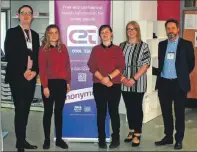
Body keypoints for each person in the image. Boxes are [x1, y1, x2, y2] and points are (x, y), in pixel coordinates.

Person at [153, 19, 195, 150]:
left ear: (178, 29)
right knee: (166, 112)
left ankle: (179, 139)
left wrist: (181, 75)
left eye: (173, 28)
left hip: (179, 84)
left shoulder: (186, 44)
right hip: (164, 83)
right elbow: (161, 63)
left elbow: (191, 63)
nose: (170, 31)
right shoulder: (161, 45)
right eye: (168, 28)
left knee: (179, 113)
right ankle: (168, 137)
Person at [4, 5, 39, 152]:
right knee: (20, 109)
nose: (26, 16)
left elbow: (37, 57)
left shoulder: (35, 35)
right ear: (18, 15)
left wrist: (35, 71)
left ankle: (22, 140)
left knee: (26, 111)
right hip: (17, 77)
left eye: (28, 13)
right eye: (23, 13)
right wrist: (23, 71)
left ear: (32, 16)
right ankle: (20, 143)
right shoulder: (11, 33)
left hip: (31, 77)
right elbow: (10, 54)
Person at [87, 25, 125, 149]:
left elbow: (120, 67)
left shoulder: (118, 49)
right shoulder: (95, 49)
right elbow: (92, 67)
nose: (104, 34)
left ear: (111, 34)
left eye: (107, 32)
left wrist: (108, 78)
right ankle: (101, 139)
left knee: (114, 112)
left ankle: (116, 139)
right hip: (99, 85)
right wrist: (102, 79)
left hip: (114, 85)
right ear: (100, 35)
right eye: (102, 32)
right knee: (101, 113)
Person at [38, 24, 71, 150]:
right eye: (51, 32)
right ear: (47, 34)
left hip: (61, 84)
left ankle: (59, 139)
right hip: (49, 84)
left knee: (58, 112)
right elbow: (42, 69)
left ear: (58, 34)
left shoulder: (63, 48)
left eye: (56, 32)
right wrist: (45, 86)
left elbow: (67, 66)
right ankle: (47, 139)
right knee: (47, 112)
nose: (53, 35)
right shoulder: (43, 49)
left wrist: (68, 82)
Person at [120, 21, 151, 147]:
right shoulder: (121, 46)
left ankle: (137, 133)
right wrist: (123, 79)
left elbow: (146, 64)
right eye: (128, 29)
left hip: (138, 81)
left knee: (137, 107)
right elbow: (116, 64)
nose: (130, 31)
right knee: (129, 107)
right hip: (123, 81)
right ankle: (131, 130)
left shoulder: (143, 46)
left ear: (137, 31)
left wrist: (133, 78)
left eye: (133, 29)